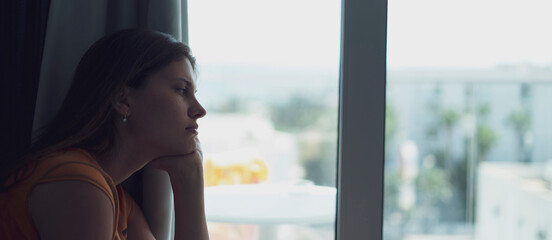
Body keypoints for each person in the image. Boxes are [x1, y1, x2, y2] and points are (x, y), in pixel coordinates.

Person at [0, 29, 209, 240]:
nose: (199, 110)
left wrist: (190, 181)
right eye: (182, 90)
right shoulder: (77, 185)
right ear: (123, 100)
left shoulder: (118, 199)